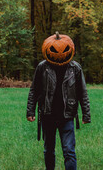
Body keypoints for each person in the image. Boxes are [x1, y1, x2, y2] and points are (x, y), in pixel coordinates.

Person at [26, 32, 91, 170]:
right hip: (47, 115)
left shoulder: (75, 68)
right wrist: (30, 111)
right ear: (47, 50)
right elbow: (34, 90)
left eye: (64, 50)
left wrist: (86, 114)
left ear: (71, 49)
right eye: (55, 50)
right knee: (48, 150)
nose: (60, 53)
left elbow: (82, 93)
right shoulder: (42, 67)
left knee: (69, 151)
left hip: (67, 116)